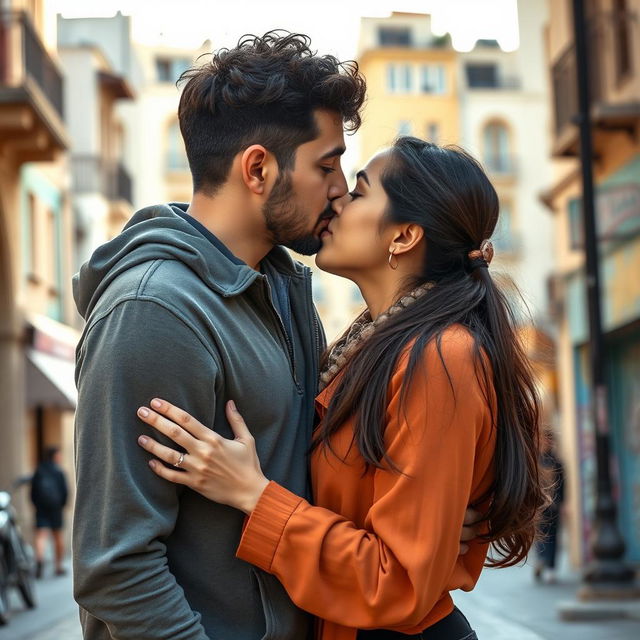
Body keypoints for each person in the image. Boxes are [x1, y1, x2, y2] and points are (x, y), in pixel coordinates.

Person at [72, 33, 475, 640]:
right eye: (326, 164)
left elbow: (305, 461)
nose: (340, 188)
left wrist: (423, 522)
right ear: (258, 168)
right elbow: (115, 566)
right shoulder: (153, 311)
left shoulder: (284, 289)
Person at [136, 138, 547, 639]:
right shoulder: (371, 343)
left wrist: (253, 494)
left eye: (358, 191)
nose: (337, 202)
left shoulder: (441, 357)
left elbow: (395, 582)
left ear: (403, 235)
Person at [30, 446, 68, 578]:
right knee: (57, 535)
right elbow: (64, 492)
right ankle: (58, 566)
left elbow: (33, 492)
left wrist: (36, 505)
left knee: (41, 534)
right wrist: (62, 505)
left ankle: (39, 559)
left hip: (41, 507)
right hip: (55, 507)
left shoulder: (39, 470)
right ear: (55, 456)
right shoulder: (59, 471)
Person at [534, 431, 565, 584]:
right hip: (539, 506)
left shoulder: (557, 462)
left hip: (554, 505)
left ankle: (550, 567)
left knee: (553, 536)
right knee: (540, 535)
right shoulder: (535, 460)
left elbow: (563, 486)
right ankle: (541, 561)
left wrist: (563, 504)